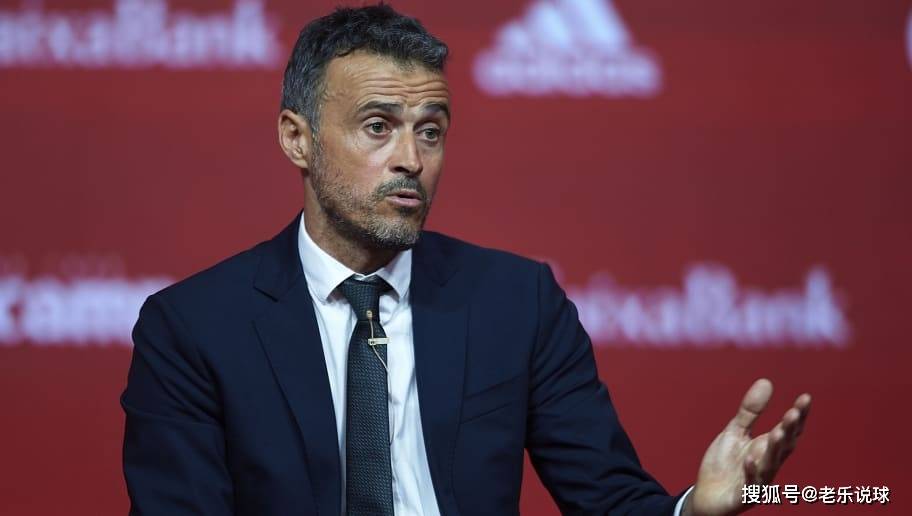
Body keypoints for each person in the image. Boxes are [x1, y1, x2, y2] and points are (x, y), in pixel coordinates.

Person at [121, 4, 811, 515]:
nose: (410, 159)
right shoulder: (194, 328)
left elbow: (610, 501)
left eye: (430, 132)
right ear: (297, 139)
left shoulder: (517, 303)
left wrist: (694, 510)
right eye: (377, 127)